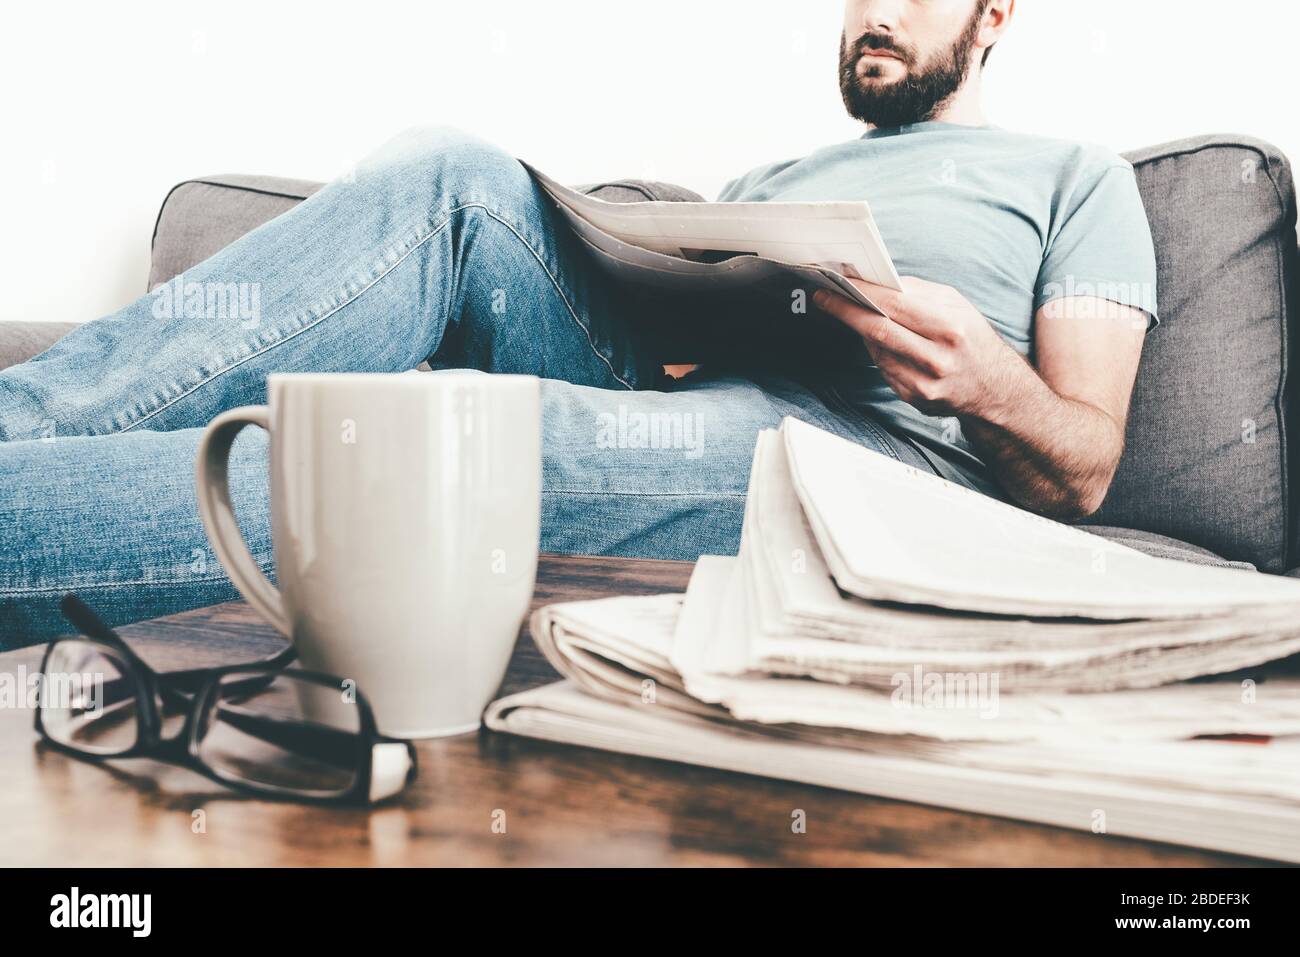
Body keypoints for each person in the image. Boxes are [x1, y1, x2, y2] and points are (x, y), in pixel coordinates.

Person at [0, 0, 1156, 645]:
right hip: (688, 409)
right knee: (450, 172)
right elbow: (689, 358)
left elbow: (1084, 469)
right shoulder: (777, 175)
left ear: (994, 14)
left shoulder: (1074, 176)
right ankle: (24, 423)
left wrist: (982, 380)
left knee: (451, 435)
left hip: (872, 464)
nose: (873, 15)